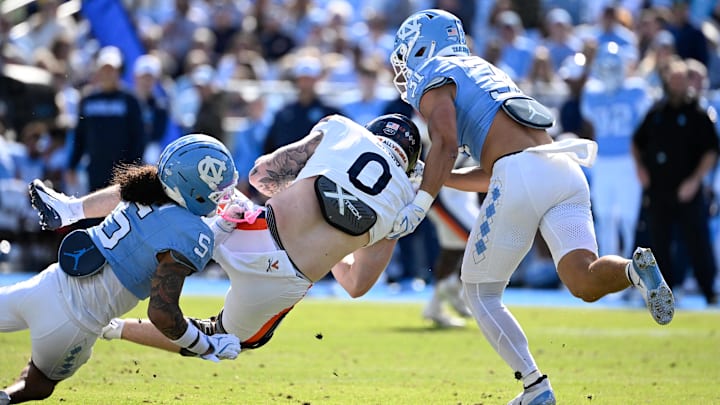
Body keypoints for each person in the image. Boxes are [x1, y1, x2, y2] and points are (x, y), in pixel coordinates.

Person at [387, 9, 674, 405]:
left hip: (520, 172)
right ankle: (633, 270)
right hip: (561, 168)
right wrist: (437, 178)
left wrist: (420, 203)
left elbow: (448, 146)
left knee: (480, 293)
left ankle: (535, 388)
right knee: (583, 280)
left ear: (424, 45)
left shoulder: (436, 74)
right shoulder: (484, 70)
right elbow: (495, 167)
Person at [29, 114, 423, 355]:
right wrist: (338, 236)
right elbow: (355, 285)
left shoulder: (342, 130)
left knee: (176, 181)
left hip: (251, 227)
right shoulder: (403, 202)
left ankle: (71, 209)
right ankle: (111, 329)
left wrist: (310, 187)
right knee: (224, 338)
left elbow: (261, 176)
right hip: (284, 281)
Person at [0, 135, 241, 404]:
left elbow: (157, 226)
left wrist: (219, 227)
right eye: (216, 187)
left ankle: (68, 209)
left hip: (45, 286)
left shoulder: (144, 190)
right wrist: (206, 345)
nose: (223, 194)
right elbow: (162, 314)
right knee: (37, 385)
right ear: (193, 188)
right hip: (74, 325)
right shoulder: (192, 235)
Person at [632, 59, 719, 307]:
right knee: (658, 241)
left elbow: (711, 151)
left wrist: (695, 181)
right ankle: (663, 291)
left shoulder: (698, 113)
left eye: (681, 79)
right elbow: (637, 142)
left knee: (697, 240)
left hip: (687, 190)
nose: (677, 84)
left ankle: (708, 290)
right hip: (659, 189)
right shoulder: (656, 111)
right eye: (673, 79)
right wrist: (640, 168)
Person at [67, 46, 146, 194]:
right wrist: (72, 165)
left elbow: (138, 137)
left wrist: (133, 168)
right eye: (104, 69)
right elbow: (80, 135)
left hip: (122, 171)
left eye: (112, 69)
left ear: (119, 71)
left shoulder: (130, 100)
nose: (108, 74)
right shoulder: (88, 99)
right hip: (95, 169)